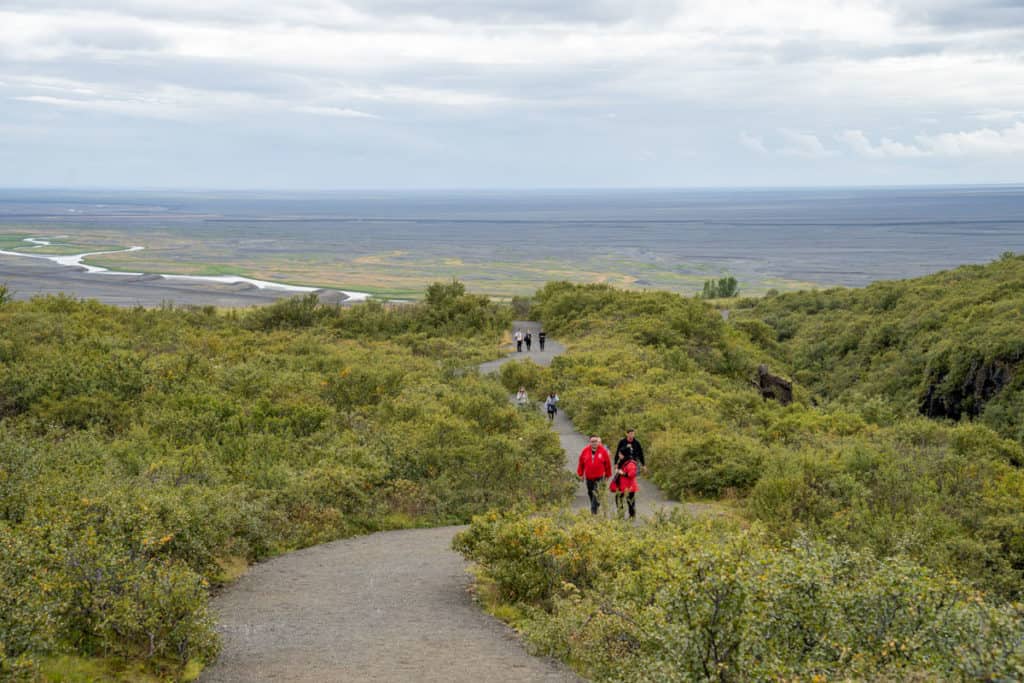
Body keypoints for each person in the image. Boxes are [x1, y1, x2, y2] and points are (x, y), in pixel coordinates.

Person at [577, 435, 611, 515]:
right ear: (590, 442)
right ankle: (596, 505)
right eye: (592, 441)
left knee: (596, 493)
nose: (594, 443)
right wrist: (581, 474)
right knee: (590, 493)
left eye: (595, 441)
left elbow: (608, 464)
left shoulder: (603, 451)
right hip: (589, 477)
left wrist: (607, 475)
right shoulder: (585, 451)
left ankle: (593, 511)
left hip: (599, 477)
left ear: (598, 442)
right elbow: (581, 463)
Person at [609, 448, 639, 519]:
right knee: (619, 500)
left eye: (620, 454)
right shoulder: (623, 461)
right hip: (622, 486)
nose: (619, 455)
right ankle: (622, 515)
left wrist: (621, 473)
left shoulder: (631, 463)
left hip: (629, 486)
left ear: (624, 454)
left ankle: (631, 516)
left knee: (630, 502)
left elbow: (631, 474)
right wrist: (618, 470)